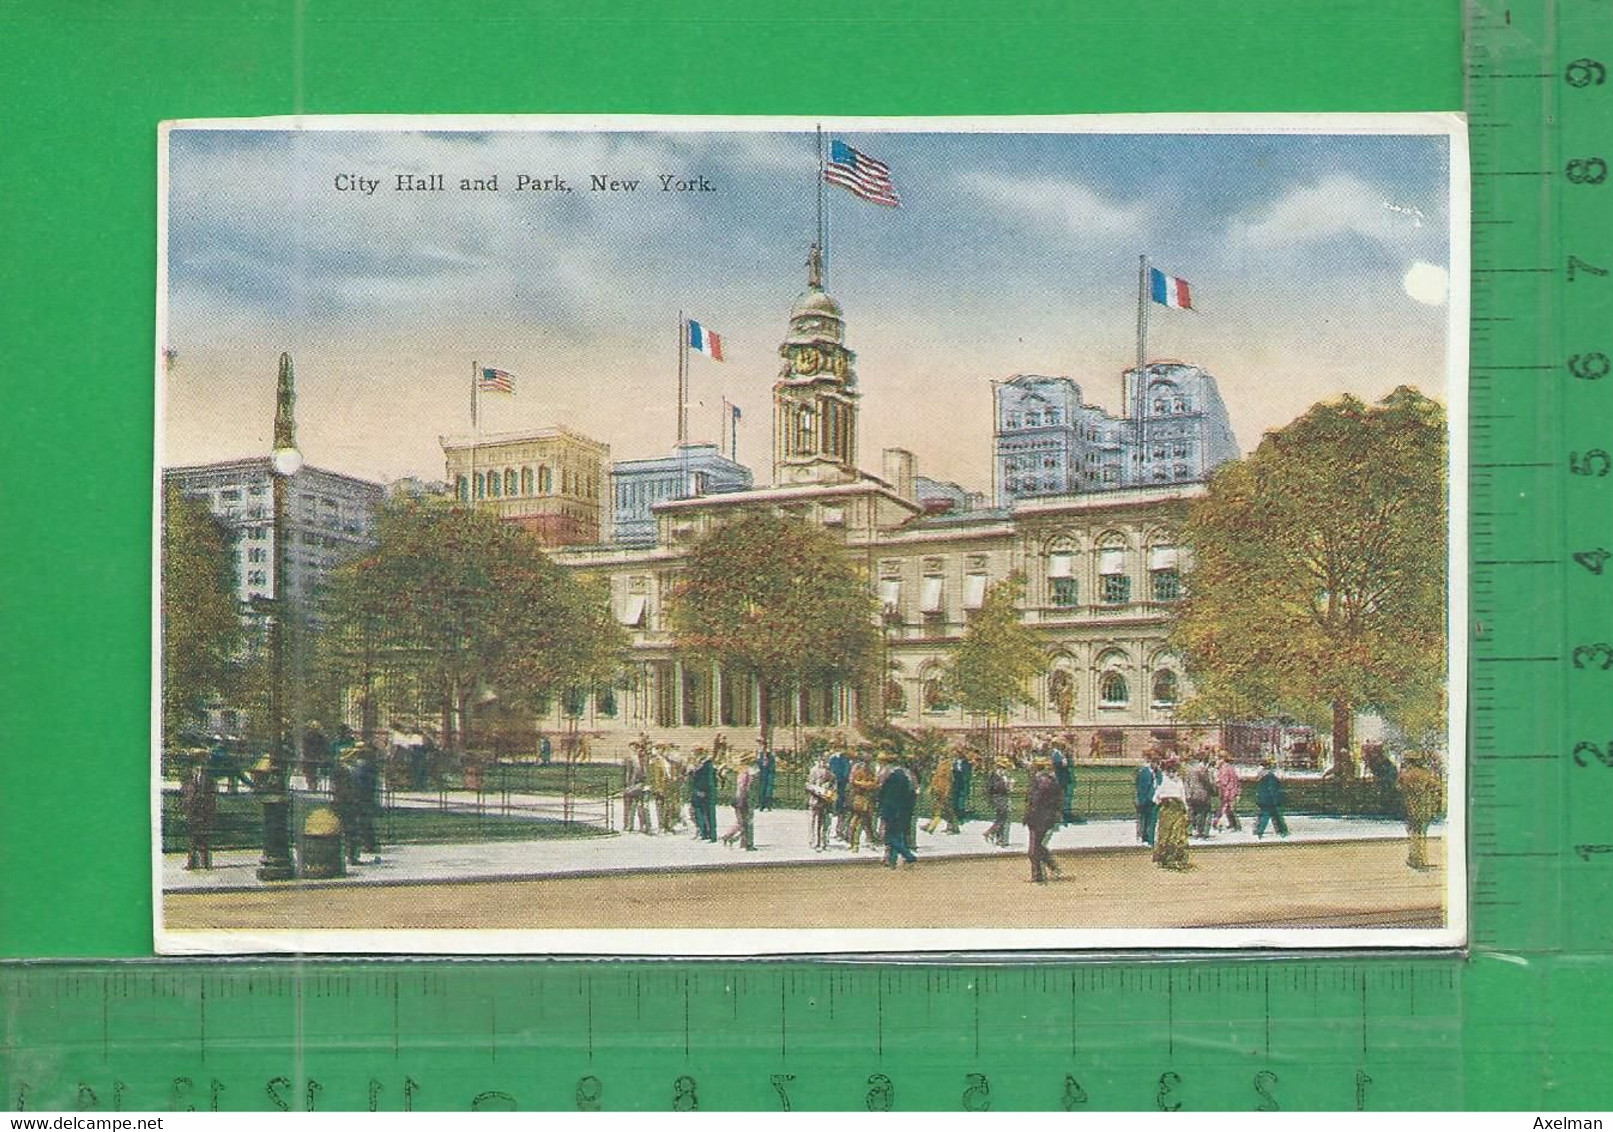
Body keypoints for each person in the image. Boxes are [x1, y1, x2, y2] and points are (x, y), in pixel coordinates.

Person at [1399, 754, 1443, 870]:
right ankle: (1419, 859)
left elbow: (1398, 787)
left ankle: (1415, 858)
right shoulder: (1426, 774)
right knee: (1421, 833)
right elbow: (1437, 787)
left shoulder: (1406, 774)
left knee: (1413, 833)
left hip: (1411, 807)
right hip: (1424, 807)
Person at [1023, 761, 1063, 883]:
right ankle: (1052, 866)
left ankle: (1038, 875)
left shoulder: (1041, 781)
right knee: (1037, 846)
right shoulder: (1051, 780)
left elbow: (1034, 800)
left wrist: (1028, 814)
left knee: (1033, 849)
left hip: (1038, 818)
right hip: (1045, 818)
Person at [1151, 757, 1190, 870]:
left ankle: (1175, 859)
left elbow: (1183, 797)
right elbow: (1156, 797)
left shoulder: (1179, 781)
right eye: (1170, 771)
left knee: (1177, 835)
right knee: (1165, 834)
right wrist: (1163, 801)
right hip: (1168, 808)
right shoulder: (1163, 780)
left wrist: (1185, 809)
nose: (1172, 773)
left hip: (1177, 809)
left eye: (1174, 771)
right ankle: (1163, 859)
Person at [878, 761, 919, 867]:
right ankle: (891, 859)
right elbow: (913, 792)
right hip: (904, 809)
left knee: (889, 836)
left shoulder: (890, 776)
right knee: (900, 834)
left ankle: (908, 856)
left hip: (890, 809)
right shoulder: (908, 776)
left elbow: (882, 792)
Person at [181, 758, 217, 870]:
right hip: (192, 812)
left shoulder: (209, 780)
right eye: (196, 766)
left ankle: (206, 862)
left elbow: (212, 797)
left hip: (204, 813)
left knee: (204, 838)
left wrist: (209, 812)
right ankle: (191, 863)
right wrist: (185, 810)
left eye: (201, 765)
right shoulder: (188, 780)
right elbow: (184, 795)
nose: (198, 768)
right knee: (192, 839)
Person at [332, 753, 365, 865]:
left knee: (352, 831)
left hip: (351, 803)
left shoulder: (352, 769)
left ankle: (352, 856)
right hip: (344, 803)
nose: (355, 758)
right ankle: (348, 856)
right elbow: (341, 788)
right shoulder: (340, 770)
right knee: (346, 830)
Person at [353, 742, 383, 863]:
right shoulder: (369, 766)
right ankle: (369, 844)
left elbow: (362, 783)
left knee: (363, 822)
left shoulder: (363, 767)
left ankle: (369, 844)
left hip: (363, 797)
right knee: (365, 822)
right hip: (367, 797)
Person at [721, 756, 758, 850]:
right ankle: (746, 843)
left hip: (739, 799)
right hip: (745, 799)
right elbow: (746, 788)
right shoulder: (749, 774)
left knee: (741, 822)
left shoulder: (742, 773)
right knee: (747, 822)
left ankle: (731, 837)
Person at [846, 754, 879, 851]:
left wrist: (870, 784)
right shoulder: (857, 770)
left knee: (867, 821)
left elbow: (875, 783)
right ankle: (853, 842)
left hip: (867, 798)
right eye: (866, 762)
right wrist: (865, 784)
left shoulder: (870, 772)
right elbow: (853, 781)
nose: (867, 764)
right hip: (859, 797)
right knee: (856, 820)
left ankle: (870, 841)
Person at [622, 740, 653, 834]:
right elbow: (627, 773)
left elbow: (647, 773)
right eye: (635, 747)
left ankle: (644, 826)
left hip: (643, 785)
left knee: (642, 807)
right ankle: (628, 825)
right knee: (630, 807)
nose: (638, 750)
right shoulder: (629, 759)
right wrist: (627, 785)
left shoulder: (646, 760)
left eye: (638, 747)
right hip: (632, 785)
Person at [922, 749, 956, 835]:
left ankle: (949, 827)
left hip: (943, 790)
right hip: (938, 789)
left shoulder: (947, 766)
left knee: (945, 809)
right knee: (938, 808)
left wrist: (947, 791)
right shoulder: (940, 765)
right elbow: (936, 778)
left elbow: (949, 779)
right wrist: (931, 787)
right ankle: (931, 825)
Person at [805, 756, 836, 851]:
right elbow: (808, 784)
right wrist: (818, 790)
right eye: (823, 760)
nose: (824, 763)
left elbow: (834, 784)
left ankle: (824, 842)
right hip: (815, 799)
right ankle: (814, 842)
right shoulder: (814, 771)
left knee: (826, 822)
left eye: (826, 761)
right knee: (814, 821)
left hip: (826, 800)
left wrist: (830, 792)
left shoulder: (830, 772)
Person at [1254, 760, 1289, 839]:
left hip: (1265, 800)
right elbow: (1272, 789)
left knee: (1269, 816)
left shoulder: (1265, 776)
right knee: (1272, 816)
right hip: (1269, 800)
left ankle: (1260, 831)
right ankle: (1282, 831)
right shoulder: (1268, 776)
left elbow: (1269, 789)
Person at [651, 746, 682, 834]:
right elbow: (655, 776)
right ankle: (661, 826)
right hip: (660, 785)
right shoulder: (655, 761)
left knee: (669, 807)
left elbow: (673, 771)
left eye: (664, 749)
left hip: (669, 785)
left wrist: (674, 778)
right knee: (660, 807)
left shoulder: (669, 761)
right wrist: (658, 787)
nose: (663, 751)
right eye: (660, 749)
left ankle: (668, 825)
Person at [689, 748, 718, 842]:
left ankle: (712, 835)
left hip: (705, 792)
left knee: (709, 814)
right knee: (700, 812)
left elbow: (707, 779)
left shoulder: (707, 764)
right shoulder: (698, 763)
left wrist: (702, 790)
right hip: (698, 791)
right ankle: (704, 832)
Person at [983, 759, 1013, 847]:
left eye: (1004, 768)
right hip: (997, 799)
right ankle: (990, 832)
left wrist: (1008, 785)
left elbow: (1006, 790)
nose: (1004, 770)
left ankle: (999, 839)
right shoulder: (994, 776)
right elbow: (992, 788)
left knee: (1001, 818)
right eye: (1002, 768)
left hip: (1003, 799)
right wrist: (1005, 784)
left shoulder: (1002, 776)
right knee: (1003, 819)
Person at [827, 742, 852, 842]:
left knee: (840, 810)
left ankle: (840, 831)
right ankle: (838, 831)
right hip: (836, 787)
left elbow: (843, 774)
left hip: (839, 787)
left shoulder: (839, 759)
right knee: (838, 810)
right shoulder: (836, 759)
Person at [1186, 754, 1216, 839]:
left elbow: (1186, 782)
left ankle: (1190, 830)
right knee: (1203, 813)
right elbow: (1207, 783)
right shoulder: (1202, 770)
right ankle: (1201, 832)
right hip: (1202, 794)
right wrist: (1213, 791)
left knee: (1192, 812)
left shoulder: (1189, 769)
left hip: (1192, 794)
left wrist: (1188, 793)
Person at [1050, 742, 1077, 825]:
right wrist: (1065, 761)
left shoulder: (1062, 754)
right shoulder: (1057, 754)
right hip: (1061, 779)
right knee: (1062, 798)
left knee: (1066, 797)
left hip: (1065, 779)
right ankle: (1062, 815)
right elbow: (1059, 765)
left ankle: (1066, 814)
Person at [1214, 755, 1242, 832]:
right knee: (1228, 809)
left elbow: (1223, 782)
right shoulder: (1230, 768)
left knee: (1226, 808)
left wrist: (1217, 783)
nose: (1216, 761)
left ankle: (1218, 823)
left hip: (1228, 792)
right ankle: (1233, 825)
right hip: (1232, 791)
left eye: (1217, 759)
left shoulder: (1224, 769)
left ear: (1222, 759)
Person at [1134, 756, 1158, 845]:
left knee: (1148, 819)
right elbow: (1142, 787)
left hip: (1150, 799)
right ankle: (1142, 836)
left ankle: (1146, 836)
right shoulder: (1145, 772)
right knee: (1143, 818)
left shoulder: (1152, 772)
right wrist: (1141, 800)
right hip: (1145, 799)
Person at [301, 721, 330, 793]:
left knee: (314, 772)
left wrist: (322, 755)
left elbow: (324, 747)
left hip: (316, 757)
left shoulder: (321, 737)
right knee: (309, 772)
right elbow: (304, 747)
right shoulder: (307, 736)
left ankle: (314, 785)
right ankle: (311, 785)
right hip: (309, 757)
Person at [951, 749, 974, 826]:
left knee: (961, 801)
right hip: (955, 785)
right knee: (955, 801)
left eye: (959, 754)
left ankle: (960, 817)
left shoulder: (967, 764)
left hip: (963, 784)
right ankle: (955, 818)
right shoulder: (954, 763)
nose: (958, 755)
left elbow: (967, 775)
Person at [755, 744, 778, 811]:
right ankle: (761, 805)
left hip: (768, 775)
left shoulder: (771, 756)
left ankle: (768, 805)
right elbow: (758, 764)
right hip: (762, 775)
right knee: (762, 790)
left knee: (769, 791)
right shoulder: (761, 756)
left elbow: (772, 766)